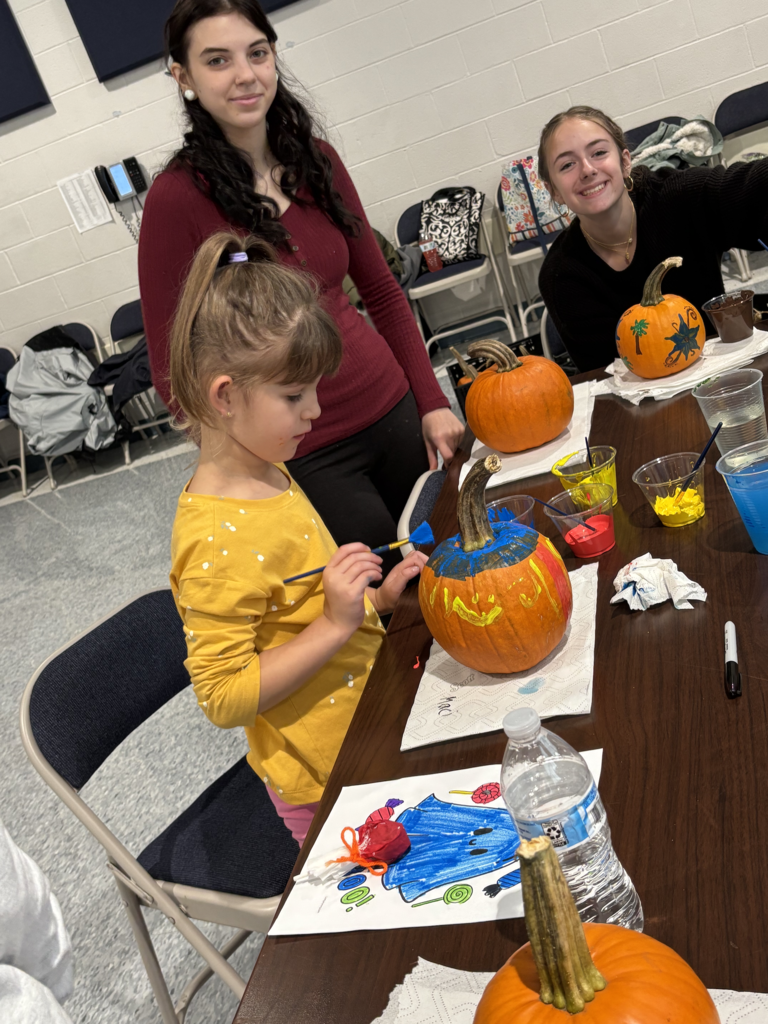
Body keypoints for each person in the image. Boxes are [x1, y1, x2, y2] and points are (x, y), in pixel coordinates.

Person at [139, 0, 463, 572]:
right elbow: (173, 372)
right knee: (382, 601)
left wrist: (432, 401)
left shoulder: (319, 162)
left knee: (453, 559)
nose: (245, 74)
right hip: (303, 453)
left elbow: (383, 294)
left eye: (257, 53)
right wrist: (253, 467)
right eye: (217, 60)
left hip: (392, 406)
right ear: (183, 77)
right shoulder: (176, 199)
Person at [168, 230, 428, 844]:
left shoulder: (271, 469)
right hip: (327, 783)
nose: (314, 411)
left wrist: (373, 602)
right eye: (293, 395)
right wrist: (335, 626)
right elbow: (224, 696)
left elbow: (295, 609)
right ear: (225, 397)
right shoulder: (212, 541)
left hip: (371, 723)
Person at [537, 105, 768, 372]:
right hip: (645, 402)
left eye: (599, 152)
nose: (587, 170)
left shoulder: (678, 197)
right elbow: (605, 378)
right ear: (554, 190)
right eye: (567, 165)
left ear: (625, 161)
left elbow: (753, 188)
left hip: (724, 371)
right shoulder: (561, 276)